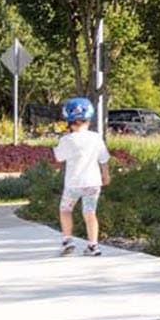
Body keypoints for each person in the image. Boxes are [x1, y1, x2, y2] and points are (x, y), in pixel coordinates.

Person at [54, 97, 111, 256]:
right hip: (93, 182)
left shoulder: (66, 140)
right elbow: (104, 158)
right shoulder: (95, 137)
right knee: (90, 212)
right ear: (89, 119)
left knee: (65, 209)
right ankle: (93, 245)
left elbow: (59, 157)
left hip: (73, 183)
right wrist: (105, 175)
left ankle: (67, 241)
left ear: (68, 120)